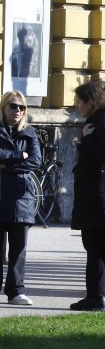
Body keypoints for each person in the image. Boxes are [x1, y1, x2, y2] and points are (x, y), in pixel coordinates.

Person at [70, 82, 105, 311]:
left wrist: (87, 139)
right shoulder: (99, 121)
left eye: (79, 102)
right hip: (93, 194)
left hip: (102, 194)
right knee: (93, 245)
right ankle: (97, 296)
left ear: (91, 102)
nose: (77, 106)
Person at [0, 91, 41, 306]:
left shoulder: (29, 132)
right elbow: (24, 158)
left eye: (22, 107)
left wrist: (5, 165)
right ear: (4, 107)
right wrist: (17, 156)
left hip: (21, 197)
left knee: (19, 248)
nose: (18, 111)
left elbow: (35, 161)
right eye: (13, 106)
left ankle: (15, 291)